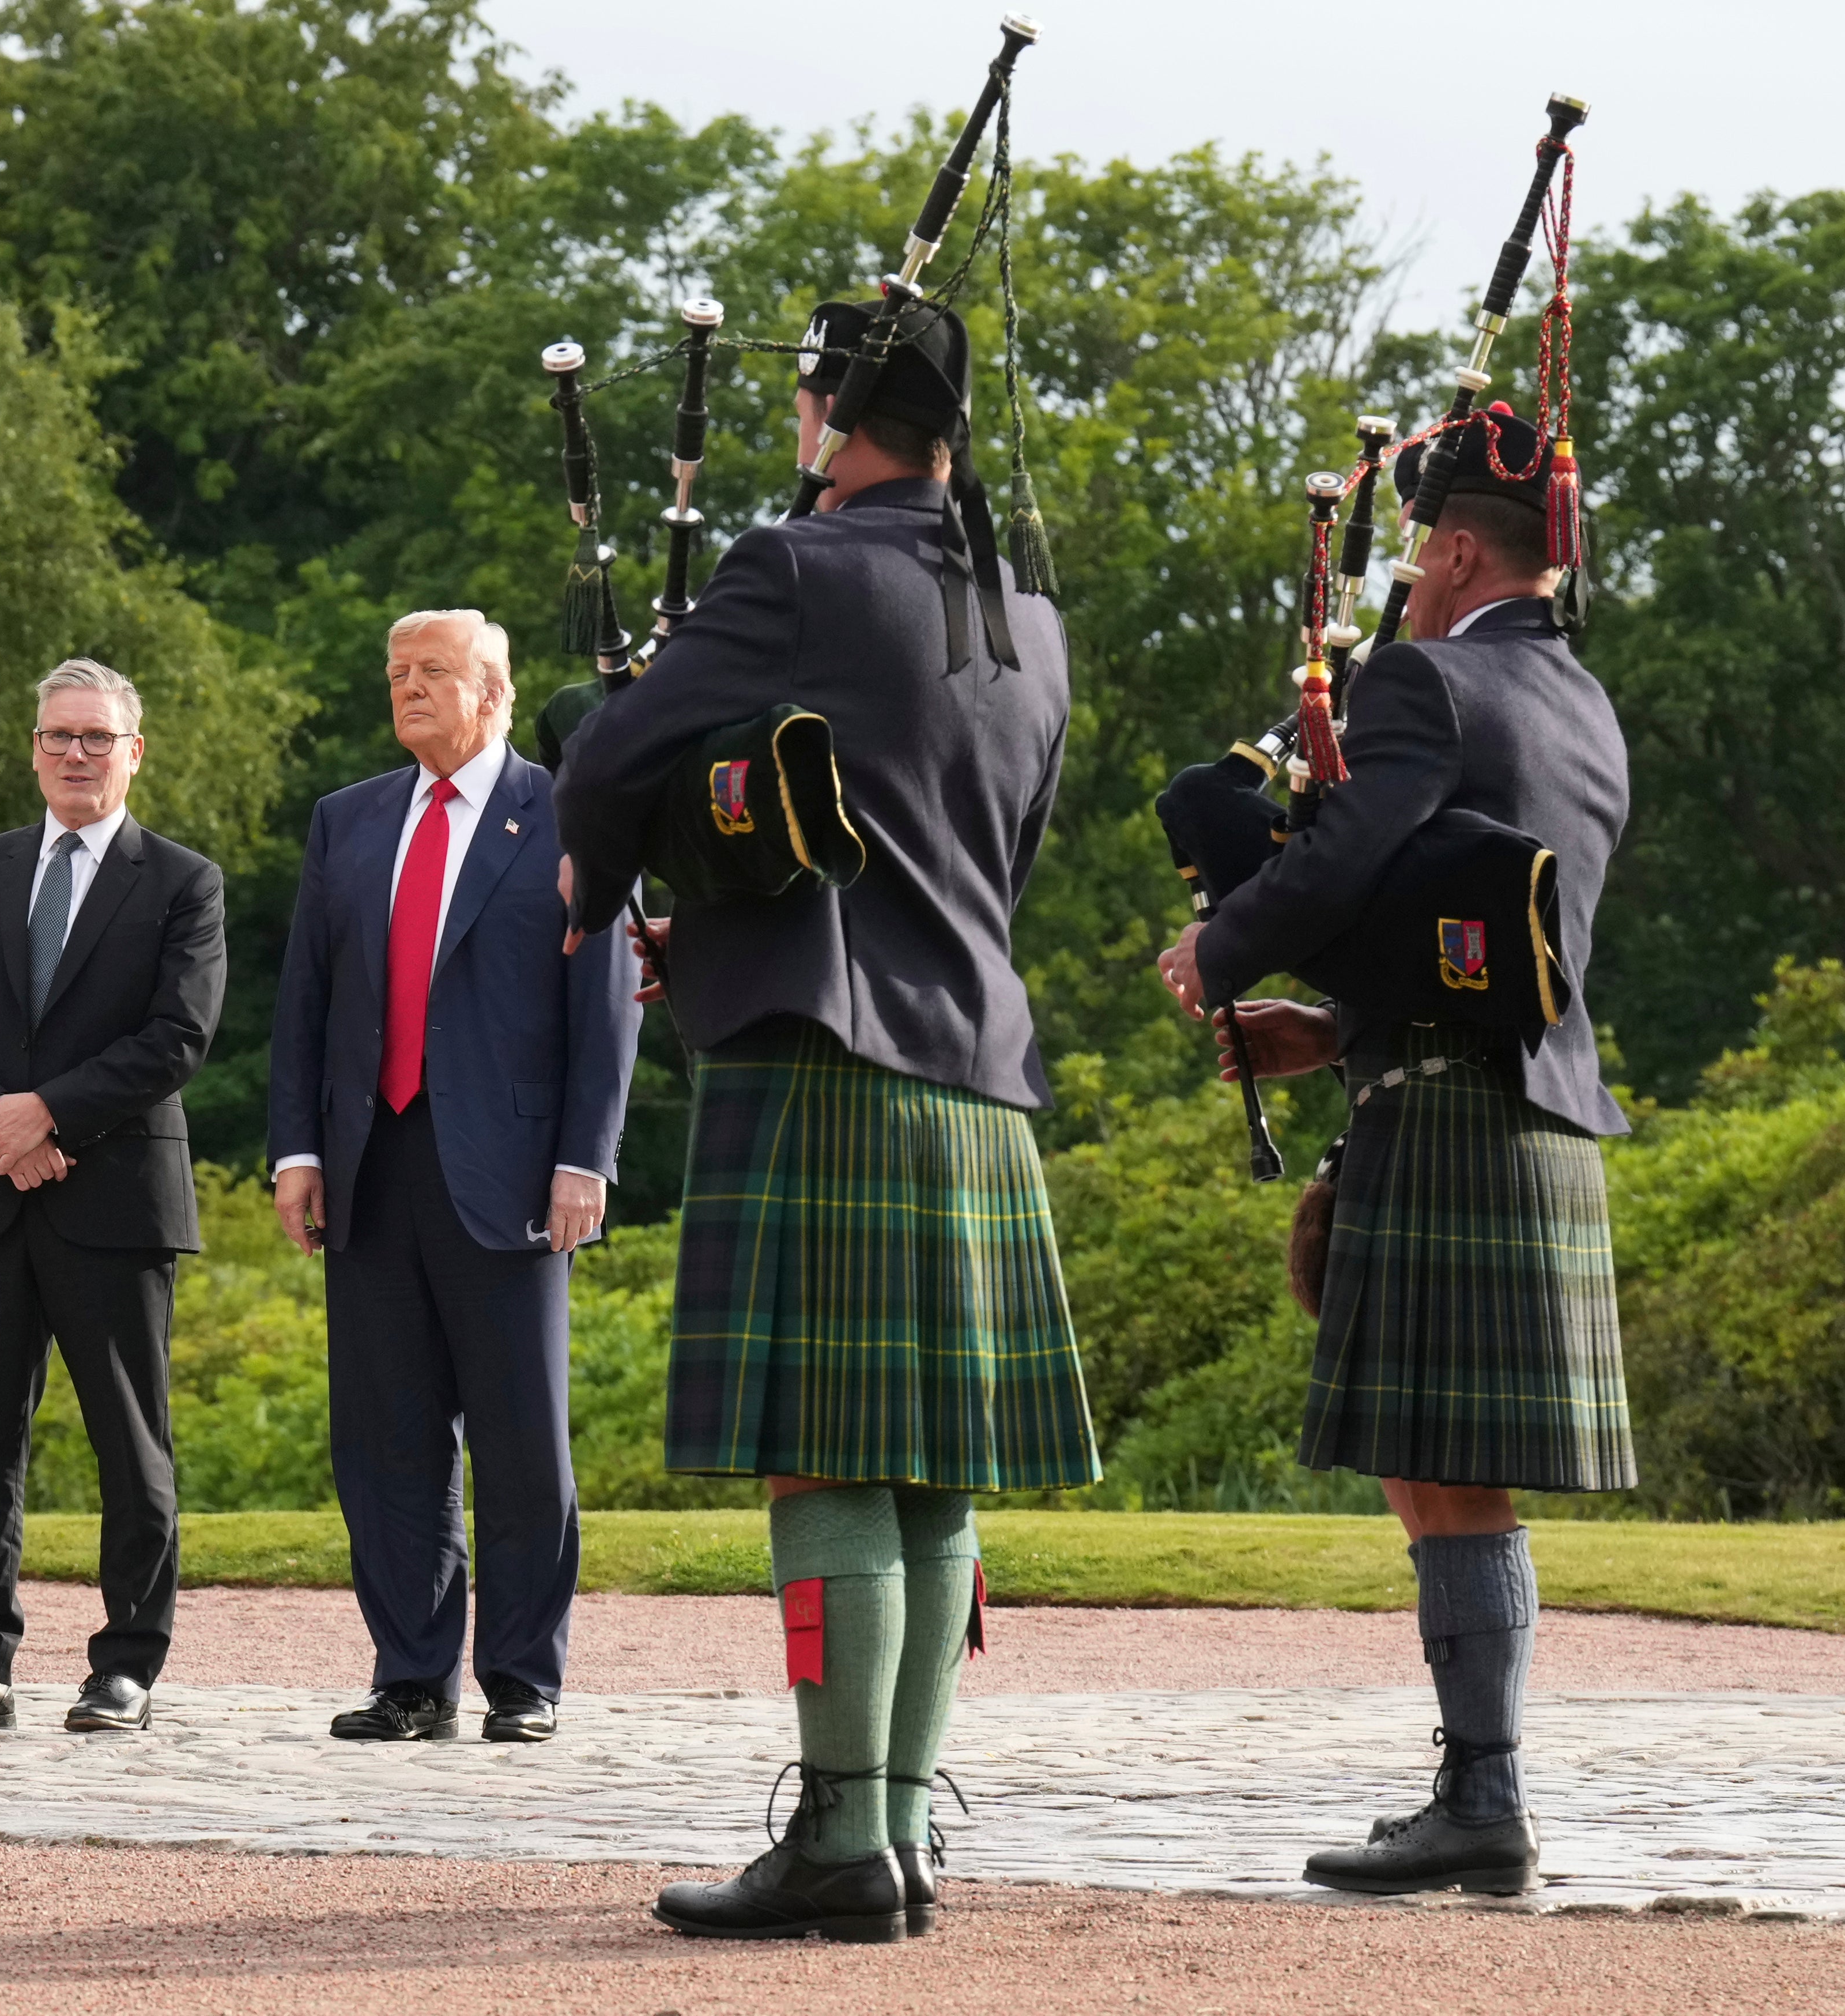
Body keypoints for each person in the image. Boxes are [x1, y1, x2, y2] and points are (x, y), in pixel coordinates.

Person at [552, 299, 1098, 1942]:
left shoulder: (791, 568)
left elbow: (611, 753)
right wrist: (726, 917)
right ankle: (900, 1828)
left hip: (825, 1062)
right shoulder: (1030, 615)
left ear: (832, 414)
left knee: (825, 1460)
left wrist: (600, 890)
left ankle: (842, 1839)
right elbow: (981, 851)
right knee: (931, 1472)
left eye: (806, 396)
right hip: (977, 1069)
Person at [1159, 402, 1633, 1899]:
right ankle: (1474, 1788)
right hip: (1516, 1094)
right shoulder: (1583, 703)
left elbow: (1347, 854)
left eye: (1422, 557)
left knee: (1446, 1474)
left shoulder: (1427, 679)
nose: (1409, 582)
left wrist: (1218, 949)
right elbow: (1466, 917)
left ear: (1457, 554)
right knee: (1439, 1473)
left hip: (1447, 1116)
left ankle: (1483, 1797)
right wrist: (1330, 1024)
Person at [269, 609, 640, 1746]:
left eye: (432, 671)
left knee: (522, 1441)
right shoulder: (347, 820)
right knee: (387, 1436)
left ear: (494, 693)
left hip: (514, 1173)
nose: (409, 688)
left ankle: (522, 1680)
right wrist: (297, 1149)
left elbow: (606, 1003)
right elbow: (305, 1000)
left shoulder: (568, 814)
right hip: (369, 1165)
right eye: (397, 672)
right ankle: (411, 1677)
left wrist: (584, 1157)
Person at [0, 659, 227, 1736]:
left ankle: (127, 1664)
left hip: (115, 1200)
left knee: (130, 1443)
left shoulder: (181, 881)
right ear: (34, 749)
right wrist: (0, 1125)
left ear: (135, 752)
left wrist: (48, 1115)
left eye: (96, 737)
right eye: (57, 736)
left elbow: (178, 1035)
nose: (75, 753)